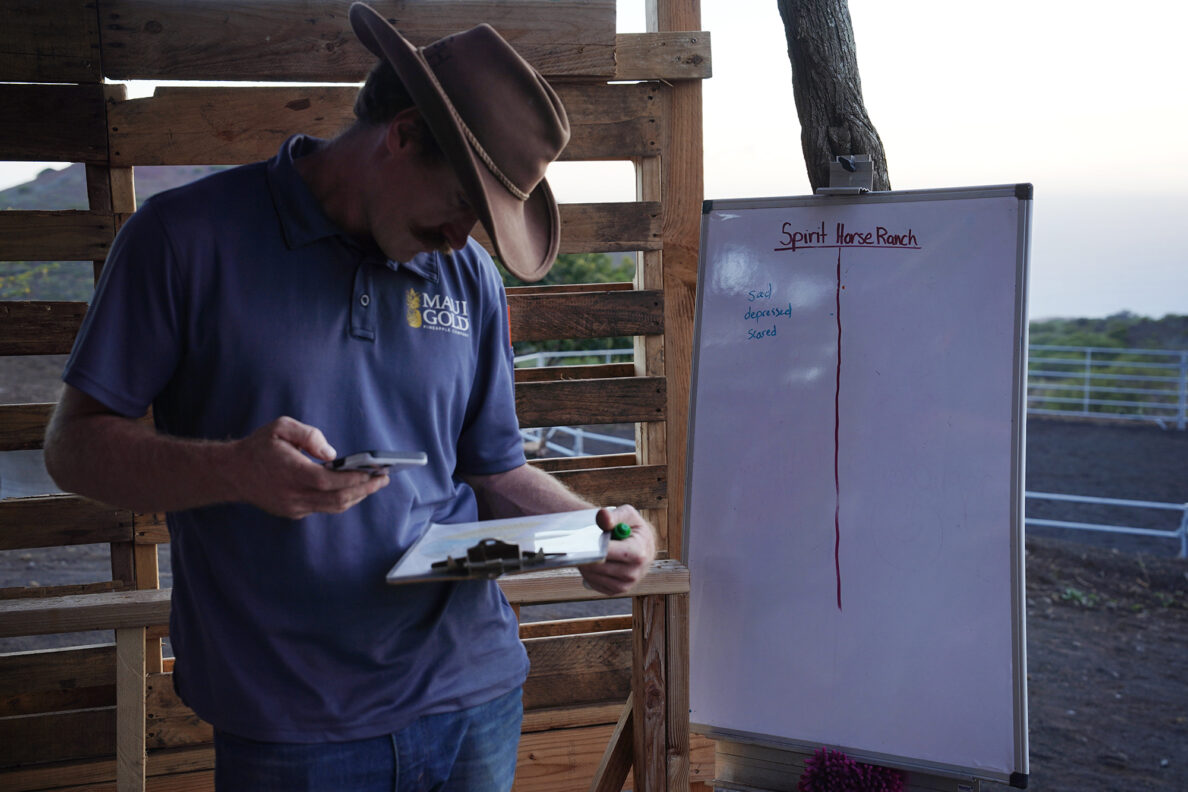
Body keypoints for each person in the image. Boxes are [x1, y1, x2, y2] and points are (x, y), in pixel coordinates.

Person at [42, 4, 656, 790]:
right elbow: (72, 449)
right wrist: (235, 469)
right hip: (292, 726)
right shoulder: (182, 238)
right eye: (464, 204)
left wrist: (596, 528)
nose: (465, 236)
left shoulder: (466, 277)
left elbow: (494, 470)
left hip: (474, 699)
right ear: (400, 135)